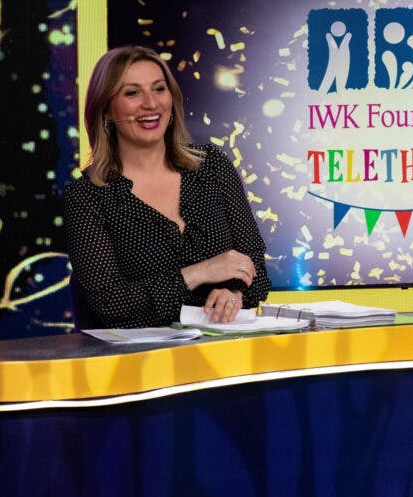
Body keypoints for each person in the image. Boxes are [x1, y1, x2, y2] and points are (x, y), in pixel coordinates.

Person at [64, 46, 271, 328]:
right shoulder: (87, 195)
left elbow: (256, 267)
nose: (151, 103)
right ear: (106, 109)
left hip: (221, 351)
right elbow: (108, 303)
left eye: (159, 89)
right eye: (132, 93)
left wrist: (234, 293)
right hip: (139, 361)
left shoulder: (213, 167)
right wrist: (199, 273)